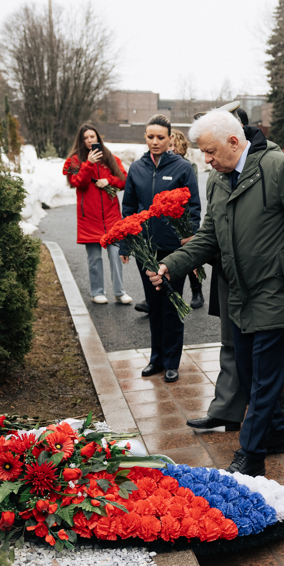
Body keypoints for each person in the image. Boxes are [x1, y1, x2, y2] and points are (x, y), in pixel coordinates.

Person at [150, 110, 284, 476]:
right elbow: (209, 236)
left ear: (235, 142)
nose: (207, 159)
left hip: (279, 293)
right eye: (204, 152)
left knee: (264, 383)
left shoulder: (279, 168)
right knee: (249, 376)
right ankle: (277, 434)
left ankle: (250, 455)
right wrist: (175, 263)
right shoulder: (218, 180)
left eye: (212, 151)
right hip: (241, 296)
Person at [121, 114, 201, 383]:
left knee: (172, 305)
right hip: (146, 249)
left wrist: (190, 244)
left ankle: (172, 361)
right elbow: (129, 209)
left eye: (160, 137)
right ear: (145, 137)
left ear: (169, 139)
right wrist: (125, 243)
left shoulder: (182, 168)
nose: (154, 141)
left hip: (173, 251)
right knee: (154, 306)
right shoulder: (137, 168)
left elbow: (193, 209)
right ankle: (155, 358)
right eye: (150, 136)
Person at [63, 125, 131, 305]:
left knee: (116, 254)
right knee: (94, 258)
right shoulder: (75, 161)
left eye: (92, 136)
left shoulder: (110, 158)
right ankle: (97, 292)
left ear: (98, 138)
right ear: (81, 140)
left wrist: (109, 180)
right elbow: (78, 183)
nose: (90, 140)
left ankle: (119, 291)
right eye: (86, 138)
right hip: (89, 218)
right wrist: (89, 164)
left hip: (111, 217)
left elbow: (124, 181)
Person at [169, 129, 206, 310]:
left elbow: (191, 195)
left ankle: (197, 290)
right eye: (170, 145)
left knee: (189, 255)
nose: (172, 149)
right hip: (167, 217)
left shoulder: (188, 166)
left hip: (183, 217)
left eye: (174, 145)